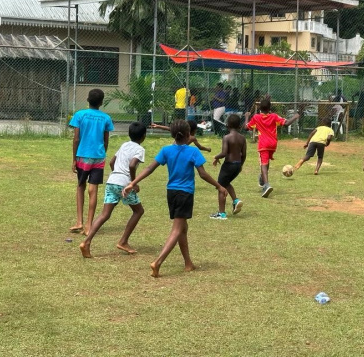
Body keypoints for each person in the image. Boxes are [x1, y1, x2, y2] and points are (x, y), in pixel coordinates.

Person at [123, 120, 228, 278]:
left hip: (171, 193)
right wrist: (219, 186)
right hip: (184, 194)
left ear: (173, 135)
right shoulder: (193, 152)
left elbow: (149, 168)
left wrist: (133, 182)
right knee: (177, 229)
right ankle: (157, 262)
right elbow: (203, 174)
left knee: (183, 228)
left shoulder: (166, 150)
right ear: (188, 135)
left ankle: (188, 263)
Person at [79, 122, 147, 258]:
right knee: (139, 211)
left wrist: (116, 175)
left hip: (112, 180)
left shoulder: (124, 145)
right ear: (144, 136)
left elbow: (111, 162)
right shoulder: (139, 149)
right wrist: (133, 183)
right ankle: (123, 241)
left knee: (104, 214)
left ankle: (86, 242)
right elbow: (133, 165)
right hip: (124, 184)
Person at [69, 88, 114, 235]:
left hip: (83, 156)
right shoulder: (106, 118)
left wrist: (74, 159)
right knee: (93, 190)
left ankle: (79, 222)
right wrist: (102, 153)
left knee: (81, 186)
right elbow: (106, 140)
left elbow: (76, 139)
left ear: (88, 100)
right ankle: (89, 225)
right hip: (98, 157)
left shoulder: (79, 115)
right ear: (101, 102)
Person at [245, 97, 299, 198]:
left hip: (263, 144)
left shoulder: (256, 117)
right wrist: (295, 117)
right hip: (273, 144)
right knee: (266, 163)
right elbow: (286, 123)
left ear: (260, 108)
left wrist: (247, 117)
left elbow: (246, 127)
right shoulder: (274, 116)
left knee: (263, 165)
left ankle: (266, 185)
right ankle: (262, 179)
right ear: (270, 108)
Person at [210, 114, 247, 219]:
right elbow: (244, 154)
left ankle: (221, 213)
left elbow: (224, 153)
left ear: (227, 125)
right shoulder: (242, 138)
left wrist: (216, 157)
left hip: (229, 165)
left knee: (220, 186)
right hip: (237, 164)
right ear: (239, 126)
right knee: (226, 183)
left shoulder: (226, 137)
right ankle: (236, 200)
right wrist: (240, 165)